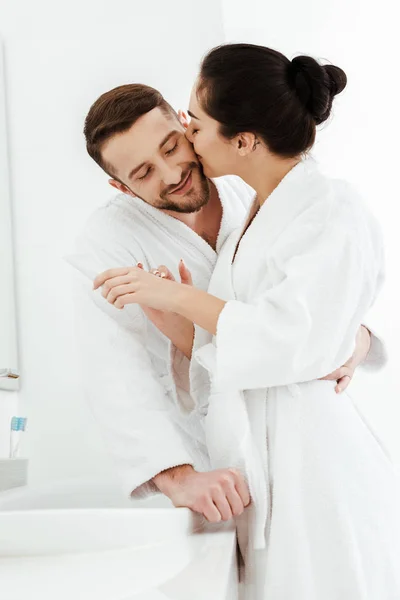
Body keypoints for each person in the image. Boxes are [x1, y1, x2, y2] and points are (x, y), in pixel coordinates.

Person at [93, 44, 400, 599]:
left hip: (315, 465)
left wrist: (178, 299)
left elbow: (291, 337)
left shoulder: (333, 207)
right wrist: (169, 316)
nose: (188, 139)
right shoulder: (252, 218)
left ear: (244, 140)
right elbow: (238, 344)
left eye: (192, 124)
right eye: (145, 168)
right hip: (256, 467)